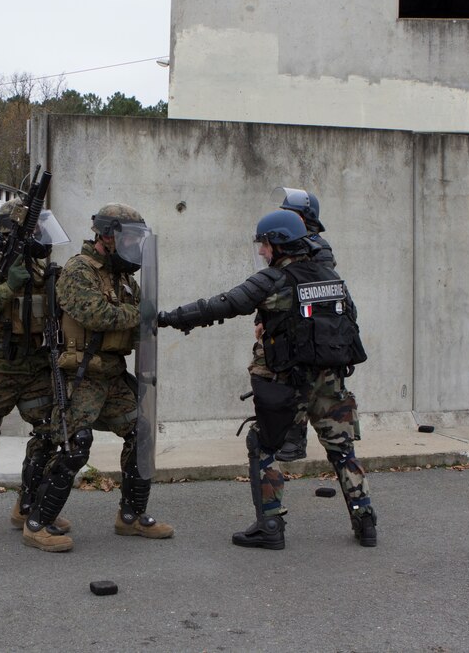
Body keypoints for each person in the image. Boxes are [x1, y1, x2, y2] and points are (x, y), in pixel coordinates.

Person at [158, 209, 375, 549]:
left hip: (289, 384)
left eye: (264, 244)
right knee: (343, 451)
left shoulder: (274, 280)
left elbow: (225, 304)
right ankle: (366, 522)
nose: (261, 251)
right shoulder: (332, 278)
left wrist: (172, 318)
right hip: (332, 383)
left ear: (279, 243)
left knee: (263, 446)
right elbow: (349, 319)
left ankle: (270, 525)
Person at [24, 203, 174, 552]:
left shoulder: (123, 278)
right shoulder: (79, 269)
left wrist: (155, 319)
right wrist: (140, 314)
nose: (135, 246)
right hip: (83, 374)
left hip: (112, 374)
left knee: (141, 433)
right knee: (74, 445)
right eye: (130, 238)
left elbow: (139, 321)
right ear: (109, 235)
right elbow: (97, 314)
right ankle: (38, 523)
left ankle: (132, 516)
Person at [0, 199, 71, 538]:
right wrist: (7, 287)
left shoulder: (40, 271)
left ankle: (28, 504)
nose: (39, 236)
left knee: (49, 431)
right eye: (32, 230)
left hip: (34, 366)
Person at [272, 187, 332, 462]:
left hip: (312, 326)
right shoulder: (289, 242)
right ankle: (290, 438)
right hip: (293, 323)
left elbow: (316, 288)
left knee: (303, 382)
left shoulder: (317, 248)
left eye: (291, 214)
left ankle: (297, 440)